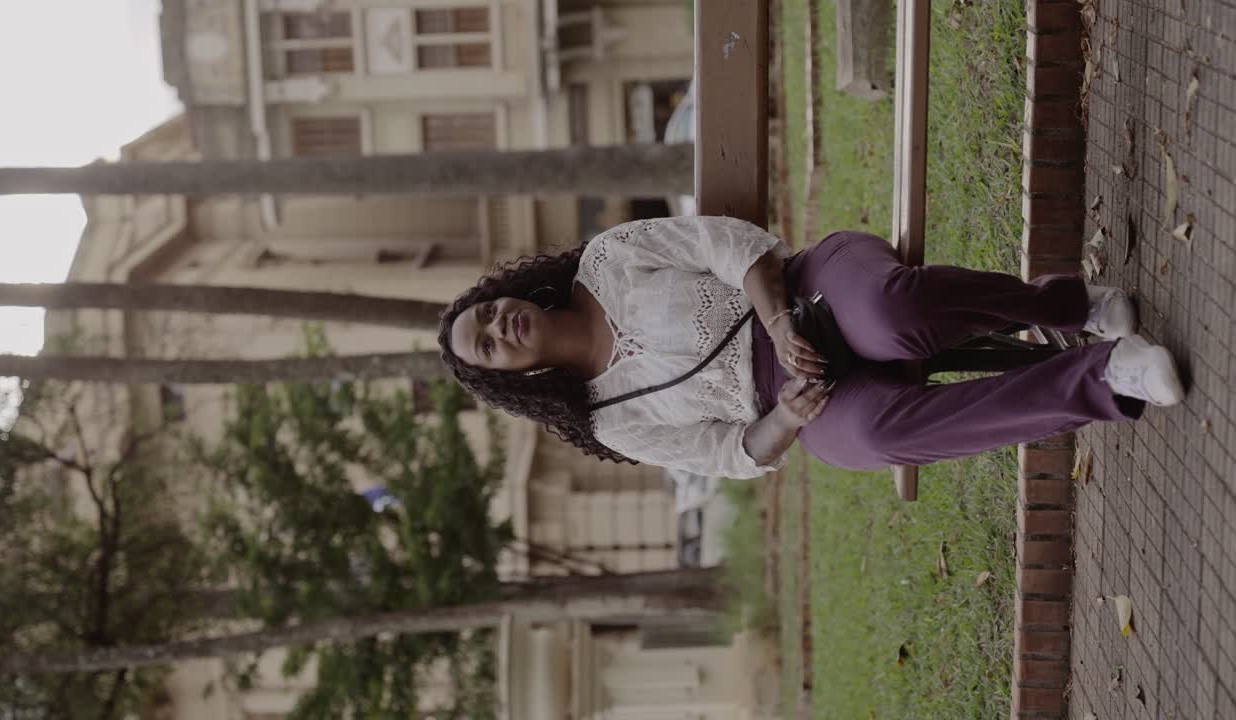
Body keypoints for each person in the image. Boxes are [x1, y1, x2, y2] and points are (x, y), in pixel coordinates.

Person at [437, 216, 1183, 477]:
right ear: (513, 376)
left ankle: (1069, 305)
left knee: (891, 313)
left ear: (511, 295)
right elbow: (728, 454)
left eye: (489, 313)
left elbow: (727, 244)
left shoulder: (608, 259)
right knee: (881, 436)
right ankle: (1106, 377)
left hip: (806, 291)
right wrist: (786, 418)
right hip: (799, 399)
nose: (500, 327)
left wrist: (777, 324)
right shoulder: (610, 421)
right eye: (489, 346)